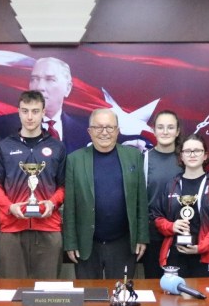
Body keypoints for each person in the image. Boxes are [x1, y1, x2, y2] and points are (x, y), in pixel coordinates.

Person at [63, 109, 149, 279]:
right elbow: (70, 206)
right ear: (89, 131)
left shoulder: (133, 156)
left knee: (121, 293)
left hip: (123, 242)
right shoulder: (75, 160)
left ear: (117, 130)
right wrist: (70, 242)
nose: (104, 132)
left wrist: (142, 237)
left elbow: (141, 200)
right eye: (98, 127)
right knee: (89, 294)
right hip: (87, 243)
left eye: (110, 127)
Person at [0, 90, 67, 279]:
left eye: (35, 111)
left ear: (43, 113)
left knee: (47, 290)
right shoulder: (4, 147)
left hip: (48, 228)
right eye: (25, 111)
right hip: (12, 229)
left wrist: (52, 203)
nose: (30, 117)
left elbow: (64, 186)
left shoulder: (57, 147)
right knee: (13, 290)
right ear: (18, 112)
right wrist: (9, 207)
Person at [150, 134, 209, 278]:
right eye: (187, 151)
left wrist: (200, 247)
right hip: (176, 254)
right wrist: (172, 226)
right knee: (174, 292)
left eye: (197, 151)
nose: (192, 154)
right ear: (181, 156)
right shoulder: (171, 184)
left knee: (206, 293)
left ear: (205, 156)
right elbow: (157, 216)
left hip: (206, 255)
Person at [0, 57, 91, 151]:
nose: (39, 87)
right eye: (34, 79)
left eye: (50, 79)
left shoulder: (86, 129)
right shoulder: (4, 126)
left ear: (68, 88)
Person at [141, 110, 183, 279]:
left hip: (181, 231)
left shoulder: (186, 158)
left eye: (170, 127)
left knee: (179, 285)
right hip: (153, 234)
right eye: (160, 127)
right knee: (154, 282)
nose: (165, 132)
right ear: (153, 130)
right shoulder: (144, 159)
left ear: (177, 131)